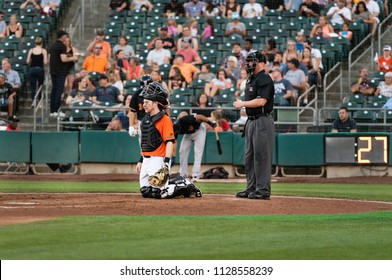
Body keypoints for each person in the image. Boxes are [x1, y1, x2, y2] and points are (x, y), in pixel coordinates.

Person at [233, 51, 274, 200]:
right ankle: (251, 187)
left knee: (261, 156)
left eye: (253, 61)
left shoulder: (265, 78)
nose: (249, 64)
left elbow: (262, 101)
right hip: (251, 120)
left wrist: (242, 104)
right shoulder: (251, 79)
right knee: (249, 157)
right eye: (249, 62)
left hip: (262, 120)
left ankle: (263, 189)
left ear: (262, 63)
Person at [136, 82, 175, 198]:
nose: (144, 104)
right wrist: (140, 160)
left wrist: (166, 162)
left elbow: (169, 142)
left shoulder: (164, 119)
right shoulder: (145, 120)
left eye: (147, 102)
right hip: (146, 159)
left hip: (158, 159)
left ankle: (182, 185)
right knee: (145, 192)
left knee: (157, 193)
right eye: (143, 102)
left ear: (155, 103)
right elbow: (145, 142)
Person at [176, 111, 216, 180]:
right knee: (182, 151)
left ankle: (195, 175)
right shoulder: (179, 124)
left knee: (198, 153)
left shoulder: (189, 118)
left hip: (199, 130)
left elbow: (200, 116)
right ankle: (182, 174)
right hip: (188, 134)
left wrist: (210, 123)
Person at [128, 74, 153, 144]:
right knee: (143, 143)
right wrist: (131, 126)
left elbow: (165, 107)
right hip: (142, 120)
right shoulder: (137, 94)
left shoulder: (157, 93)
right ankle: (144, 155)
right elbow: (132, 110)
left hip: (156, 120)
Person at [26, 36, 48, 107]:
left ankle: (33, 101)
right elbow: (45, 62)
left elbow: (27, 61)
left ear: (35, 43)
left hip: (32, 69)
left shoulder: (31, 50)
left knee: (33, 87)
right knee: (40, 86)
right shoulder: (43, 51)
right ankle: (39, 102)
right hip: (40, 69)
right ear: (42, 43)